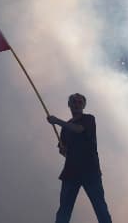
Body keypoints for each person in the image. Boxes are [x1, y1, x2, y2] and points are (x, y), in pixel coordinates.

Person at [46, 93, 112, 223]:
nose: (76, 105)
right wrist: (63, 150)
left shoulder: (89, 119)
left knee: (100, 207)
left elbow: (79, 130)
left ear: (84, 105)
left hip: (90, 171)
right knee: (64, 209)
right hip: (71, 172)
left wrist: (57, 121)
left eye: (79, 102)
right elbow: (63, 150)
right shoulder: (66, 127)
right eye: (74, 102)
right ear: (69, 105)